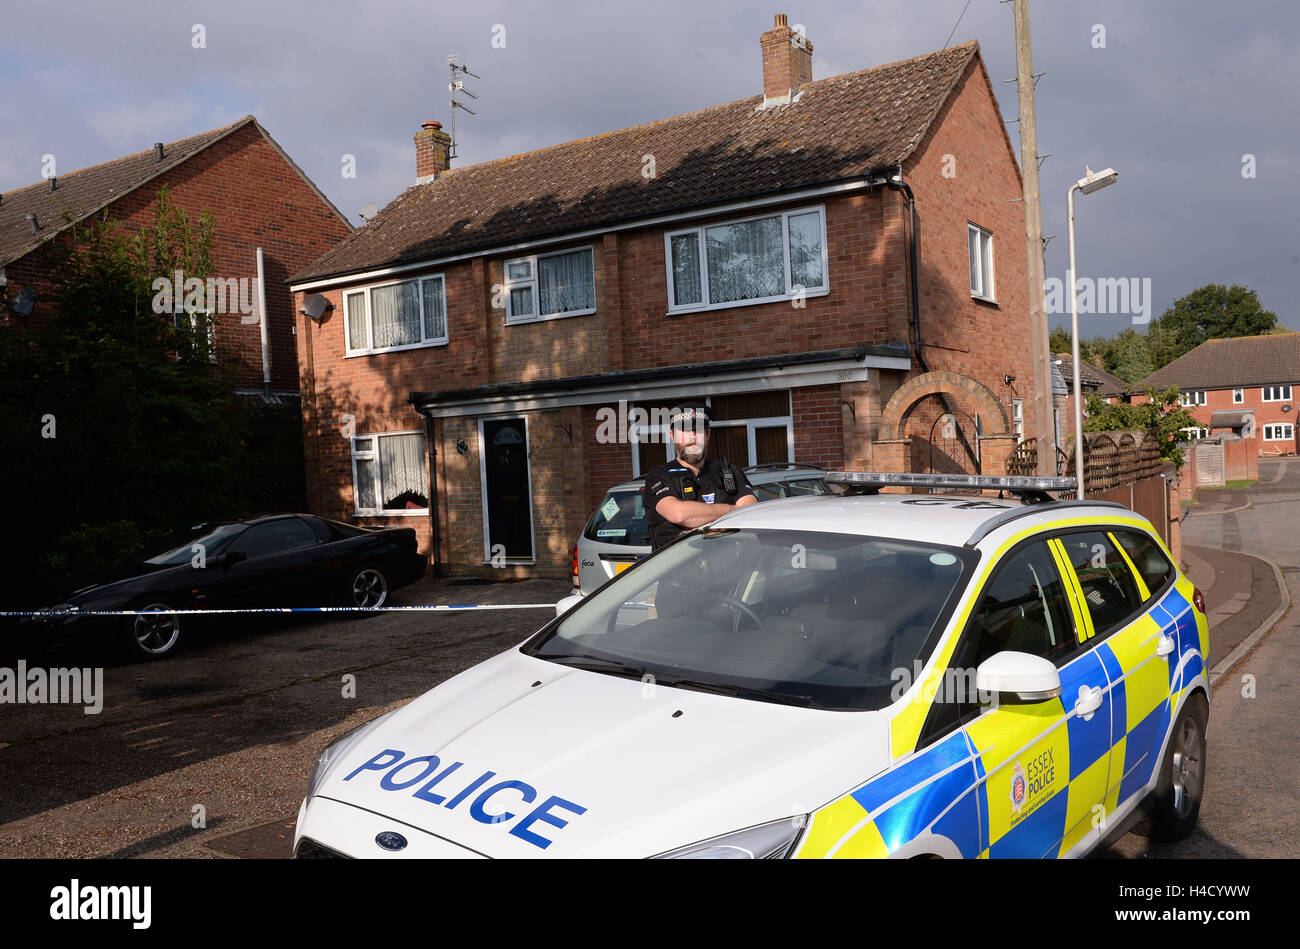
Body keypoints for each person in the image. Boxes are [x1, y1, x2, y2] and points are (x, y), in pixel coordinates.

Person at [644, 400, 758, 551]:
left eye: (697, 429)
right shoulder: (659, 476)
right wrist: (734, 511)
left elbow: (750, 509)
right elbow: (679, 514)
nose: (692, 436)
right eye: (684, 430)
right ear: (672, 436)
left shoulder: (727, 470)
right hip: (677, 571)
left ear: (707, 434)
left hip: (728, 570)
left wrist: (700, 524)